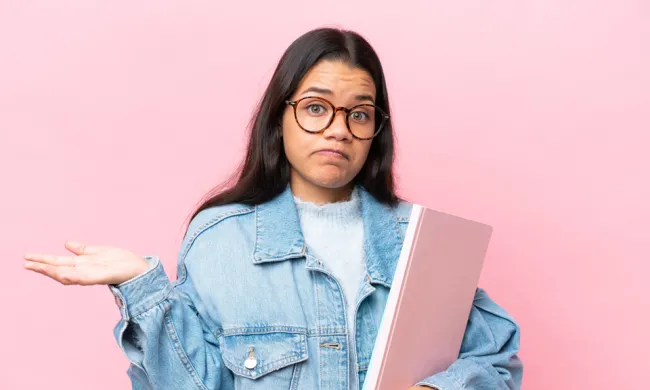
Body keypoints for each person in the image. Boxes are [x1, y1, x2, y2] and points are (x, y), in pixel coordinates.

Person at [23, 27, 523, 390]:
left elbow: (497, 361)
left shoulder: (420, 241)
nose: (338, 129)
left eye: (360, 113)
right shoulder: (219, 238)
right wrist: (144, 290)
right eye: (315, 107)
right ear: (278, 117)